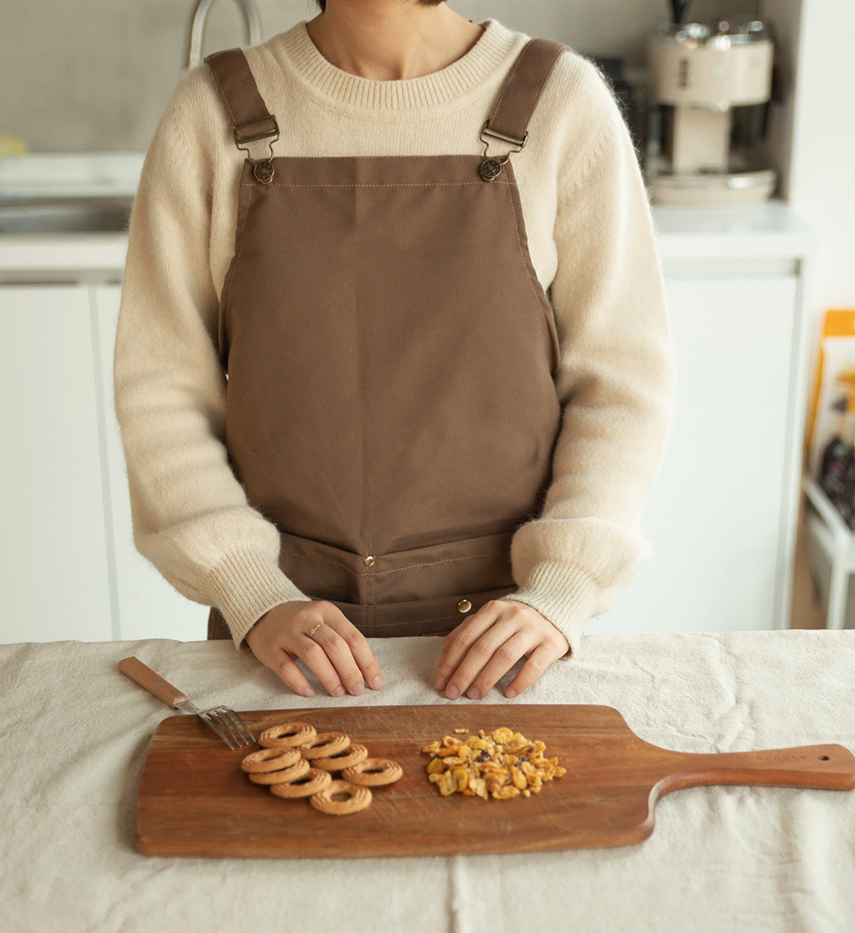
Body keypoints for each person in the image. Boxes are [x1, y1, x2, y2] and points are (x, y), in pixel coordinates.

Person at [113, 0, 674, 703]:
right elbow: (160, 387)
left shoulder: (560, 102)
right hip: (283, 649)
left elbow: (622, 384)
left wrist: (559, 589)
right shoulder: (212, 113)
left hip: (511, 645)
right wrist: (249, 589)